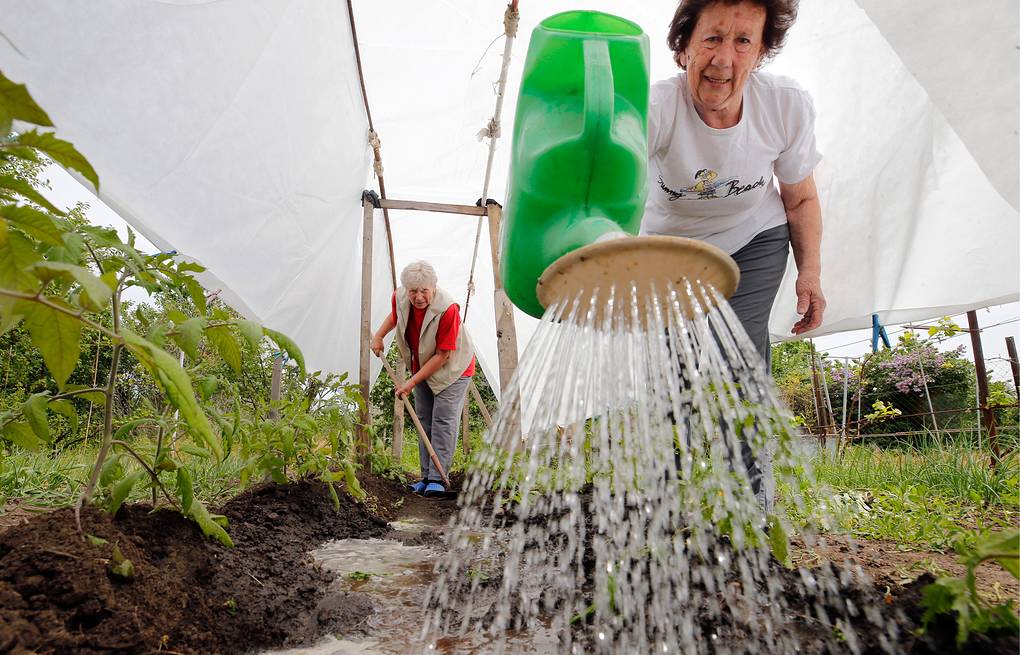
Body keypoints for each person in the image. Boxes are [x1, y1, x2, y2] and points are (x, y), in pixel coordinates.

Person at [642, 0, 824, 510]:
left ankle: (750, 511)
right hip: (669, 251)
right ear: (683, 48)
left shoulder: (784, 105)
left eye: (744, 41)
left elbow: (800, 197)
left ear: (762, 51)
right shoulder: (655, 107)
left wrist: (809, 272)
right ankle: (665, 509)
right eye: (712, 38)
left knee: (739, 362)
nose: (725, 57)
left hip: (753, 239)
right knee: (669, 374)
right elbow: (613, 189)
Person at [370, 261, 475, 498]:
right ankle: (426, 476)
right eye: (413, 291)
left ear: (434, 287)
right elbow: (396, 315)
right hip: (422, 365)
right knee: (423, 418)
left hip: (453, 369)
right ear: (406, 289)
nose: (418, 297)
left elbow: (443, 355)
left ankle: (438, 479)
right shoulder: (401, 296)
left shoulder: (448, 309)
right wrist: (378, 336)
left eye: (424, 291)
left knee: (443, 421)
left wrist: (410, 382)